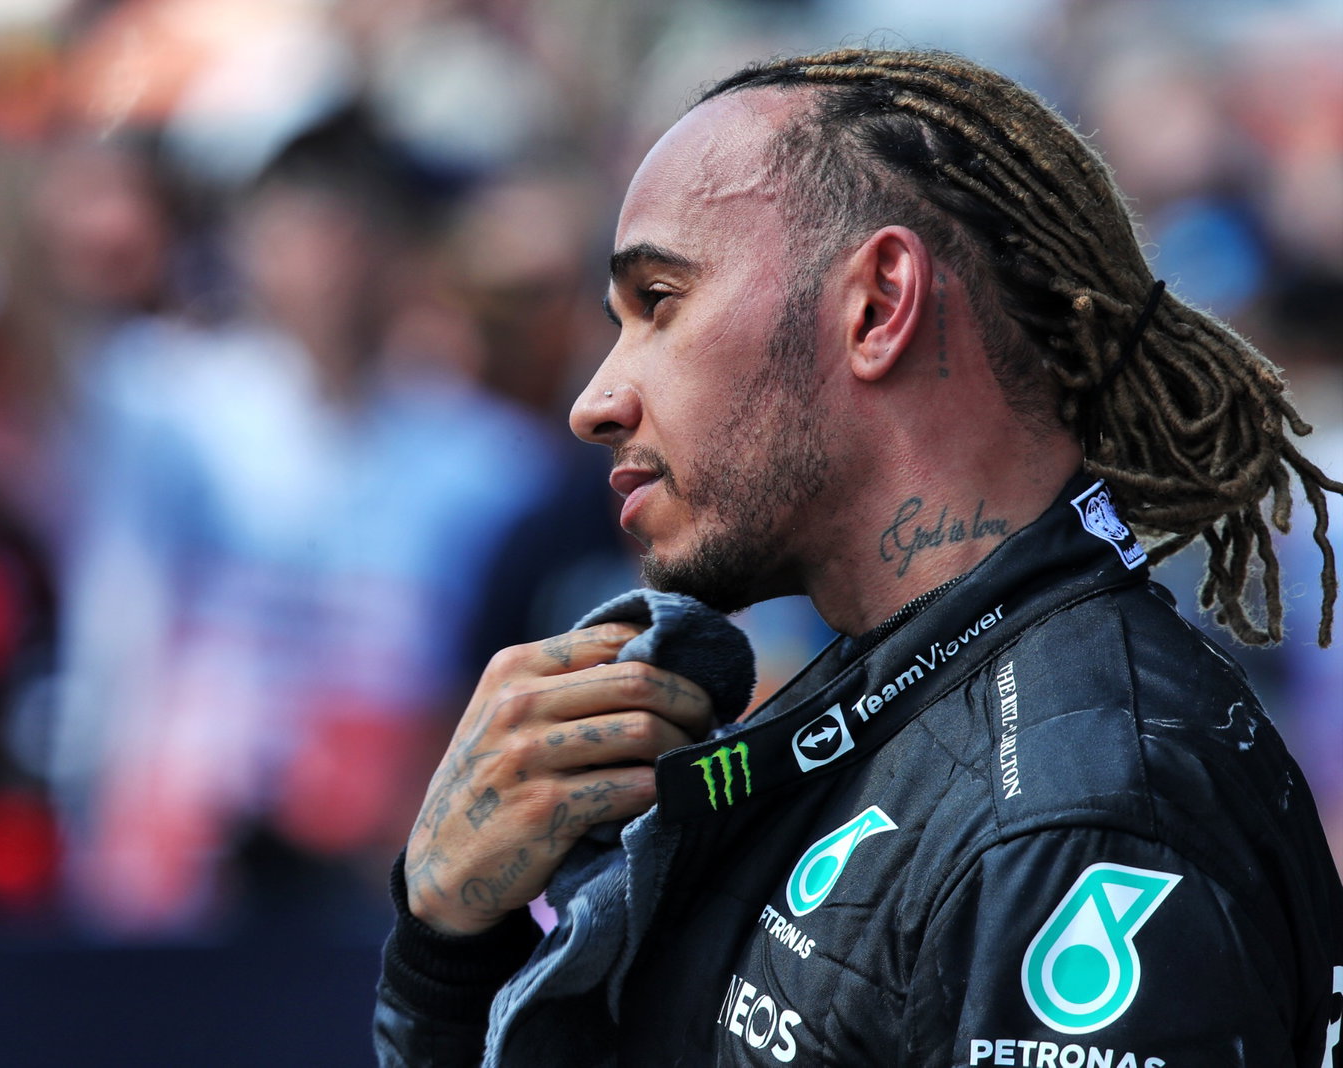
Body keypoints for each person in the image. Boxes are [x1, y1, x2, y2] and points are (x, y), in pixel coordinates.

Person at [372, 47, 1343, 1067]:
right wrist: (448, 957)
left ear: (877, 305)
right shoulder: (910, 691)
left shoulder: (1082, 811)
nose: (594, 401)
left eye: (658, 301)